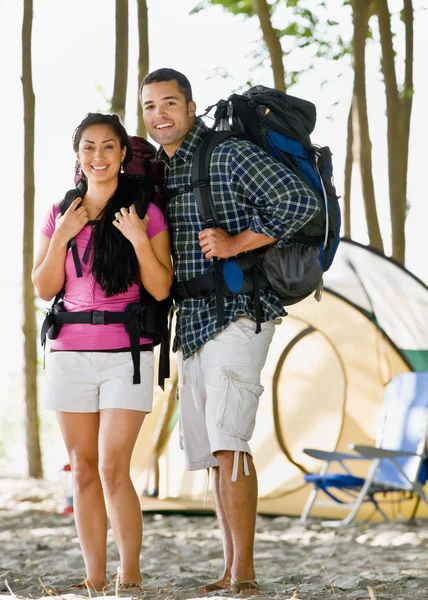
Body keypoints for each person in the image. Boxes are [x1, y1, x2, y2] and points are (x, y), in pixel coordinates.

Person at [140, 68, 321, 596]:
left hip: (240, 312)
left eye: (170, 103)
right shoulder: (165, 167)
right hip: (194, 321)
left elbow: (299, 202)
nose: (160, 115)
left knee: (230, 443)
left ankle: (244, 575)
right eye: (150, 107)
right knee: (217, 449)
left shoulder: (225, 153)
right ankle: (230, 570)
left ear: (191, 107)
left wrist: (238, 241)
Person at [32, 112, 173, 592]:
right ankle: (93, 578)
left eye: (108, 147)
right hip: (68, 353)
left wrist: (136, 240)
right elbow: (45, 285)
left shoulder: (144, 214)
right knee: (84, 470)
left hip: (126, 355)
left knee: (113, 467)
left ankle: (128, 570)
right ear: (78, 156)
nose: (98, 156)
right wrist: (63, 238)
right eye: (88, 147)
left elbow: (159, 287)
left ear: (122, 154)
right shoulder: (59, 213)